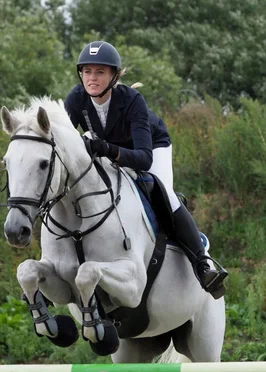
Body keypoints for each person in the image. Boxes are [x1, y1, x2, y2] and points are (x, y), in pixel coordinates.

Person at [64, 40, 227, 299]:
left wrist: (106, 148)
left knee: (164, 193)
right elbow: (65, 145)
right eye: (87, 71)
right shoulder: (75, 99)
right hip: (109, 151)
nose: (92, 78)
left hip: (150, 148)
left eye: (99, 72)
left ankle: (202, 264)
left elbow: (144, 159)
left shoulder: (132, 100)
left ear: (114, 76)